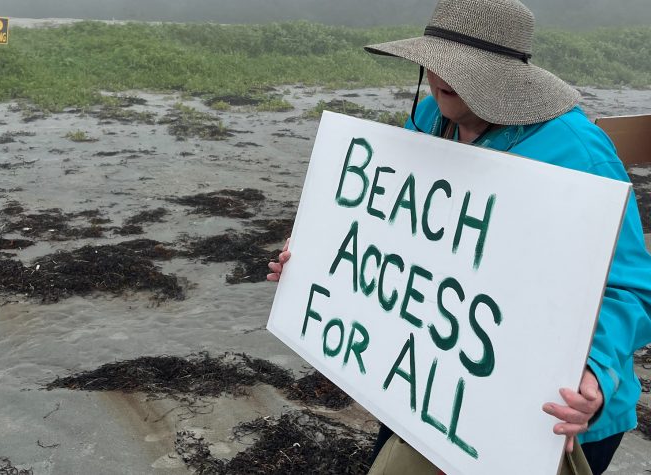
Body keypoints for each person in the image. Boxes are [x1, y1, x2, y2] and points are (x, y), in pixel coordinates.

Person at [267, 0, 651, 473]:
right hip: (434, 386)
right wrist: (317, 252)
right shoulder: (431, 116)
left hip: (552, 416)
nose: (441, 77)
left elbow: (633, 288)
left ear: (510, 77)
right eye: (434, 60)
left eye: (468, 69)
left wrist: (595, 367)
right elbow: (391, 226)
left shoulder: (576, 151)